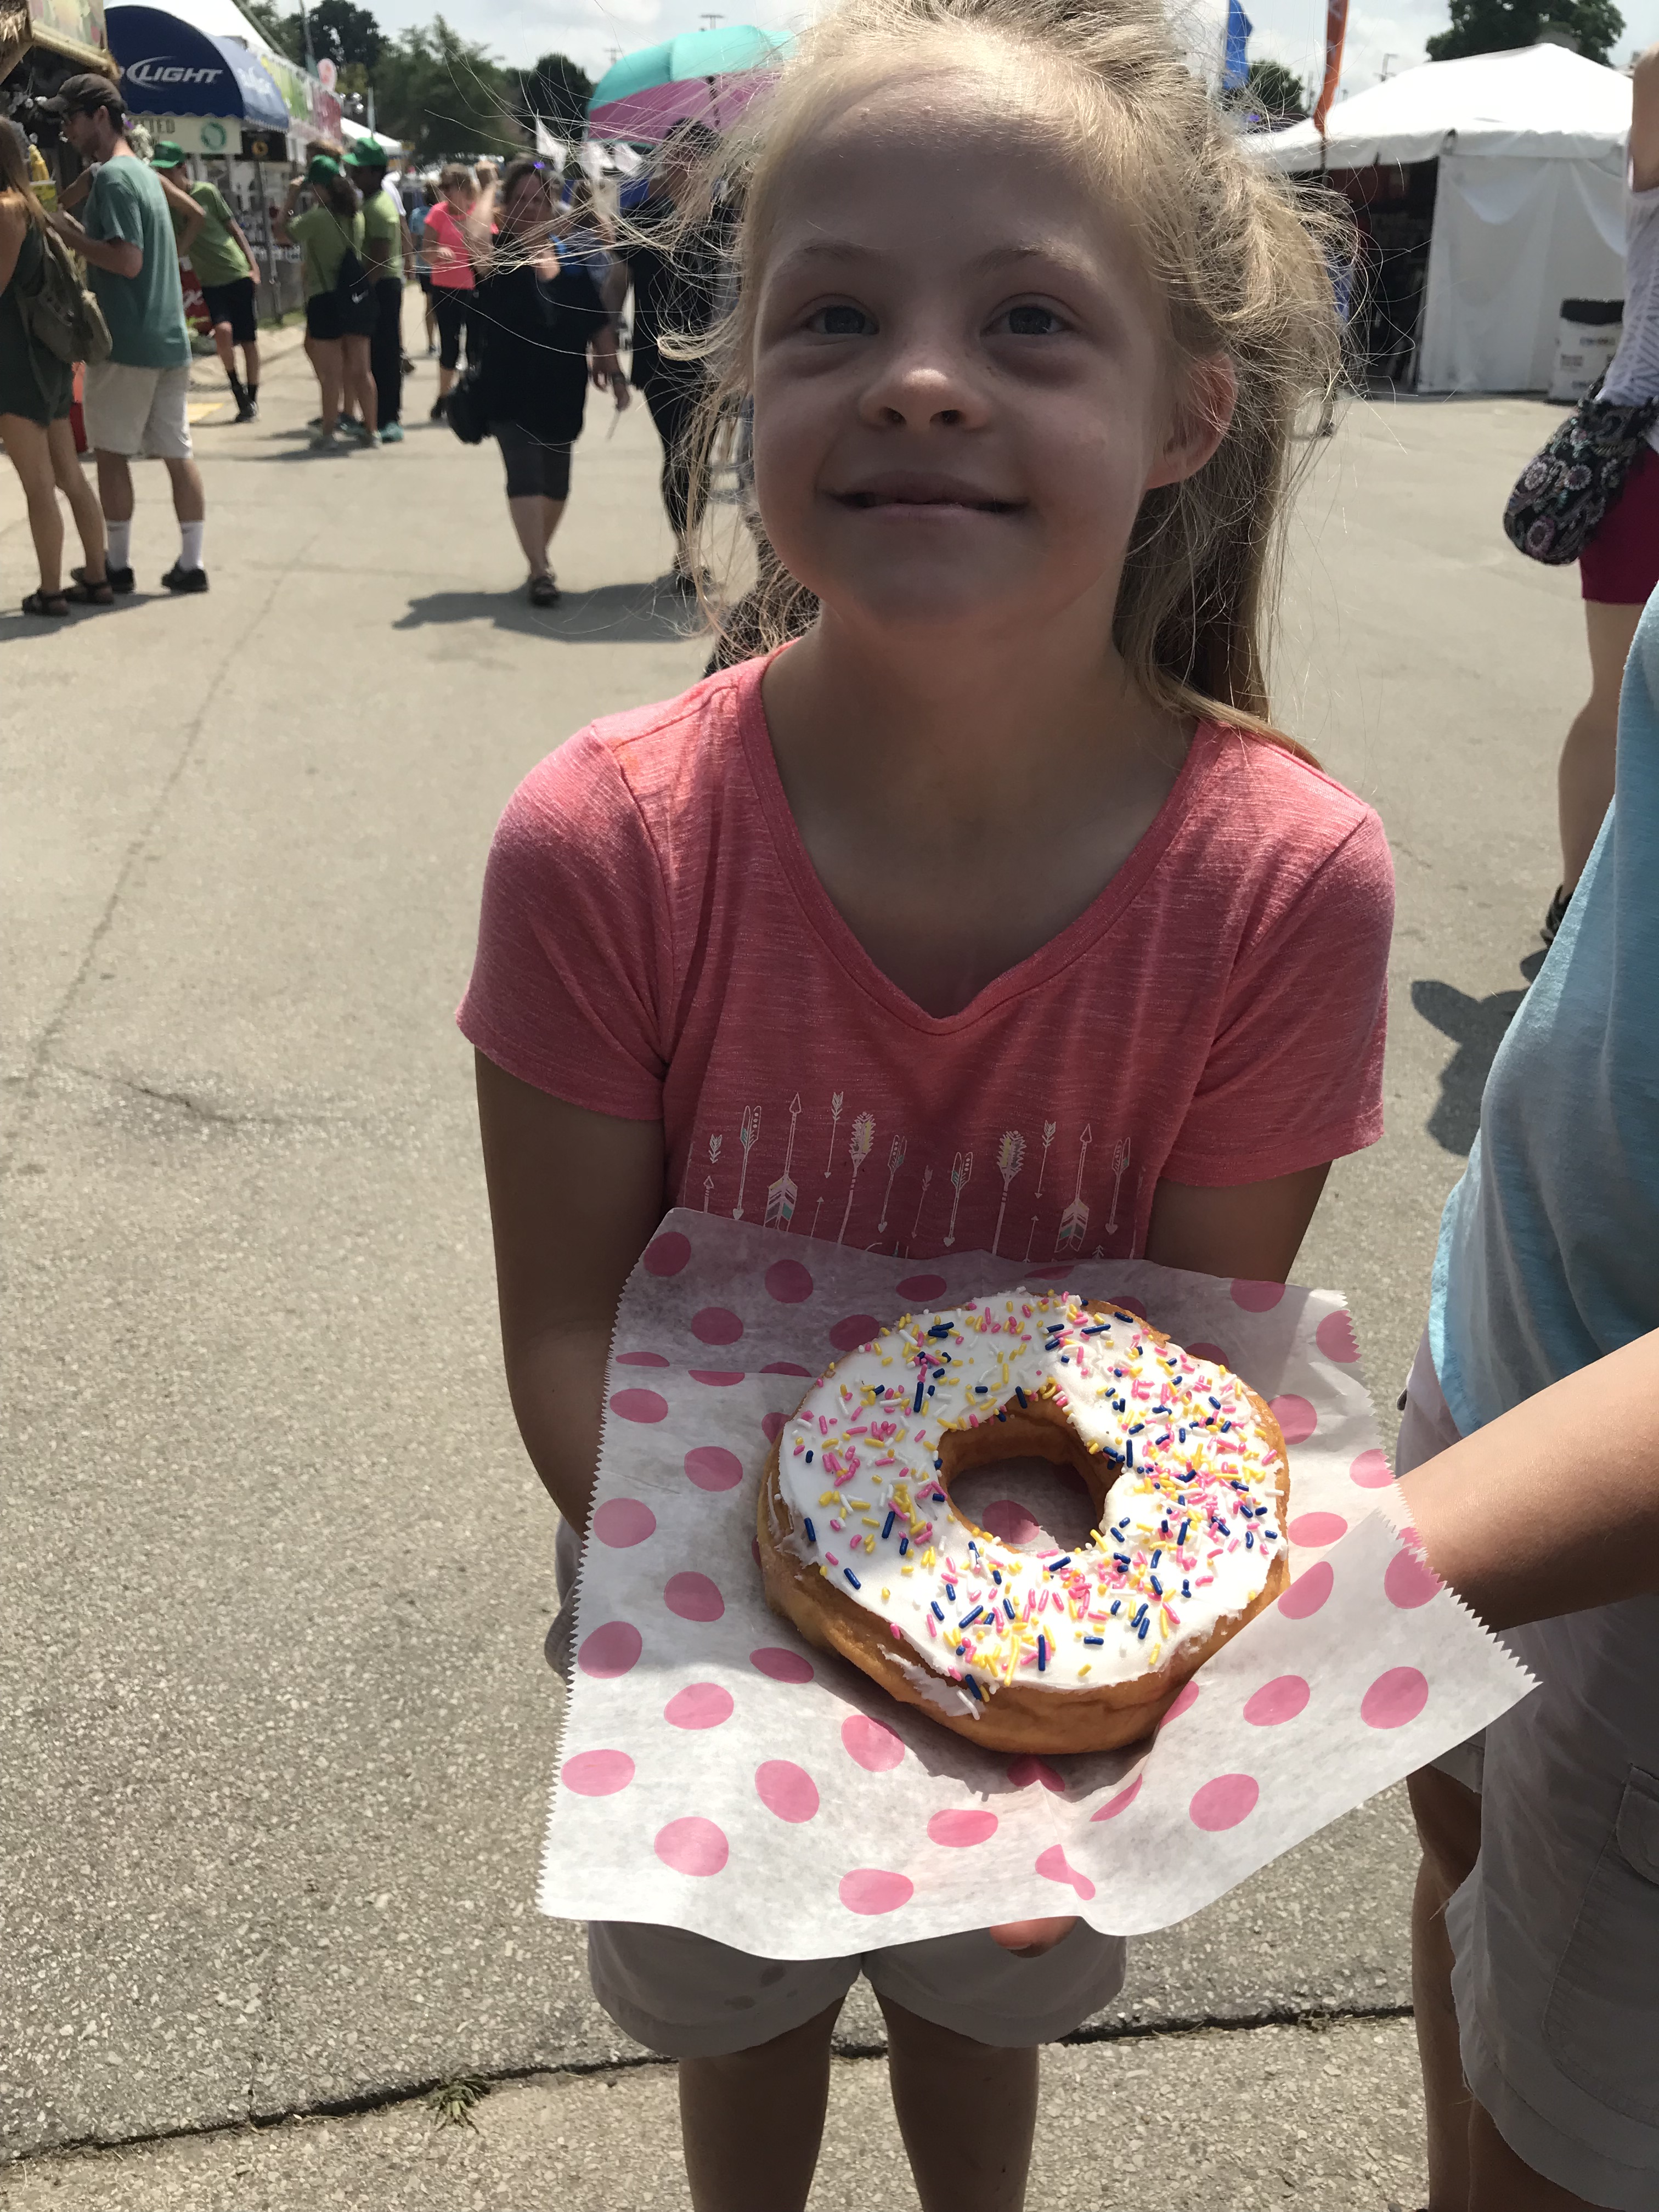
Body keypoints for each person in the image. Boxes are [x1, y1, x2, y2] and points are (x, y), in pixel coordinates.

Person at [455, 1, 1393, 2203]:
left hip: (1061, 1633)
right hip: (692, 1619)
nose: (921, 373)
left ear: (1192, 413)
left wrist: (999, 1678)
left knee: (986, 2029)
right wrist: (787, 1644)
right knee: (742, 2026)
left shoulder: (1285, 883)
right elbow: (565, 1330)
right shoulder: (604, 846)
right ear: (735, 378)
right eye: (836, 312)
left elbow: (1183, 1368)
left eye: (1034, 319)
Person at [1400, 575, 1659, 2212]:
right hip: (1501, 1322)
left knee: (1556, 2142)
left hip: (1622, 1576)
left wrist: (1298, 1587)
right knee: (1460, 1868)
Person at [1544, 41, 1659, 945]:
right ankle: (1577, 898)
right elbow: (1652, 68)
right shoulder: (1654, 188)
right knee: (1619, 692)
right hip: (1642, 465)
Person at [43, 75, 207, 595]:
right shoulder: (142, 173)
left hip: (125, 343)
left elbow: (127, 261)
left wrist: (66, 233)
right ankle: (191, 564)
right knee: (178, 455)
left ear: (100, 115)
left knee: (112, 454)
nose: (65, 128)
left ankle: (116, 567)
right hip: (169, 339)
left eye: (71, 116)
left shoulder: (114, 179)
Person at [465, 157, 625, 605]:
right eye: (521, 200)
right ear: (506, 206)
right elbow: (473, 238)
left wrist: (614, 373)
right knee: (526, 473)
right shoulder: (499, 254)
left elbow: (598, 324)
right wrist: (491, 186)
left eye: (539, 199)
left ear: (553, 205)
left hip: (562, 390)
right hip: (507, 387)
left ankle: (538, 553)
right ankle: (540, 570)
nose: (531, 208)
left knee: (557, 485)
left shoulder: (572, 257)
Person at [0, 117, 109, 613]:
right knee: (69, 476)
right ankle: (96, 575)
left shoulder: (7, 212)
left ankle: (49, 591)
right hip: (47, 359)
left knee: (39, 485)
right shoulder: (34, 210)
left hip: (17, 362)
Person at [618, 121, 728, 590]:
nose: (685, 164)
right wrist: (604, 343)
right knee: (680, 451)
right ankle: (688, 553)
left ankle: (690, 547)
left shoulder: (728, 219)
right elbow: (616, 282)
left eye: (696, 156)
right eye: (678, 154)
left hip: (716, 360)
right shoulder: (644, 216)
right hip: (659, 357)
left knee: (699, 454)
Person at [150, 141, 262, 421]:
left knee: (248, 339)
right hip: (210, 281)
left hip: (235, 271)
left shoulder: (207, 192)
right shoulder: (169, 203)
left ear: (182, 169)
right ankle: (236, 389)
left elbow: (233, 229)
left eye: (169, 172)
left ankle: (253, 397)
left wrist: (254, 266)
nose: (165, 178)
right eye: (159, 173)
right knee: (223, 332)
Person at [275, 155, 378, 450]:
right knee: (361, 370)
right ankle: (372, 431)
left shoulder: (317, 219)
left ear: (320, 188)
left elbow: (282, 233)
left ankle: (329, 433)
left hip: (325, 299)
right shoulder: (356, 216)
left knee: (331, 375)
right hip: (356, 298)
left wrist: (292, 195)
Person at [343, 139, 406, 442]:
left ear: (373, 172)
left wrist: (362, 290)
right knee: (378, 353)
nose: (352, 173)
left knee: (385, 353)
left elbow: (379, 255)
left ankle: (389, 418)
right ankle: (376, 415)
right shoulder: (370, 202)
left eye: (358, 168)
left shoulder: (379, 207)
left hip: (382, 285)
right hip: (378, 284)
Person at [425, 163, 476, 419]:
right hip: (445, 288)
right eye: (441, 187)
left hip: (474, 288)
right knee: (449, 345)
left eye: (448, 187)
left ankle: (475, 397)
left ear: (464, 188)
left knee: (476, 346)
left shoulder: (479, 214)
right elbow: (425, 251)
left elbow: (492, 248)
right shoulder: (437, 214)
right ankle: (444, 397)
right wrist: (436, 253)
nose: (443, 192)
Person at [411, 183, 436, 353]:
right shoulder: (444, 213)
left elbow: (413, 243)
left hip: (423, 266)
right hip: (442, 267)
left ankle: (431, 343)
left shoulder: (416, 215)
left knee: (429, 305)